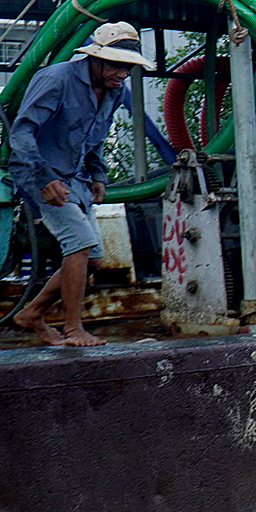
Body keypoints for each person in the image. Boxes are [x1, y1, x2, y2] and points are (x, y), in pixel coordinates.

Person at [9, 21, 154, 346]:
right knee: (79, 243)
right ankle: (74, 328)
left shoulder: (115, 92)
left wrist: (98, 174)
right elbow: (21, 133)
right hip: (37, 172)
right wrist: (44, 177)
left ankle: (32, 312)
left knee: (94, 258)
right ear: (96, 58)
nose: (123, 74)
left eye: (129, 68)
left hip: (75, 175)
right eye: (118, 65)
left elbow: (94, 136)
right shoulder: (56, 80)